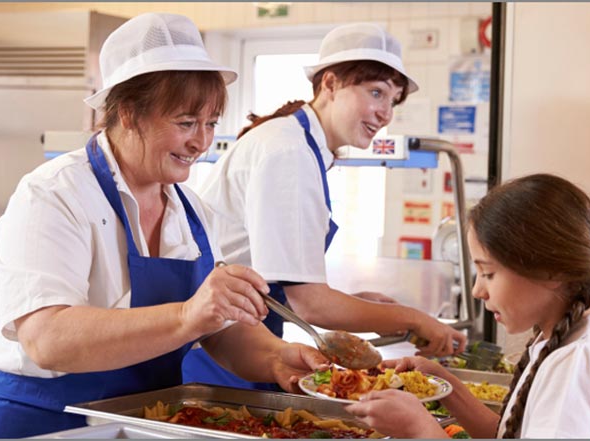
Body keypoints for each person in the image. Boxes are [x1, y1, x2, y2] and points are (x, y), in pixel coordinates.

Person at [0, 13, 328, 438]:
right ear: (129, 113)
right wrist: (188, 314)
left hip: (136, 424)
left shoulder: (191, 210)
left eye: (210, 124)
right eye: (186, 123)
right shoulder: (54, 194)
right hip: (40, 422)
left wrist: (277, 357)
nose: (202, 142)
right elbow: (47, 340)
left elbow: (220, 329)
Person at [188, 22, 466, 388]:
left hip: (245, 336)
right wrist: (413, 318)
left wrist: (356, 303)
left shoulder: (302, 145)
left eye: (393, 100)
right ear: (330, 84)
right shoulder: (288, 151)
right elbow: (312, 305)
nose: (386, 113)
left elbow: (281, 280)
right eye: (377, 92)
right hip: (224, 350)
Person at [345, 174, 590, 438]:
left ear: (551, 272)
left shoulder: (576, 365)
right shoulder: (568, 341)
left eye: (489, 274)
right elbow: (508, 434)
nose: (477, 290)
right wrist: (444, 384)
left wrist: (420, 429)